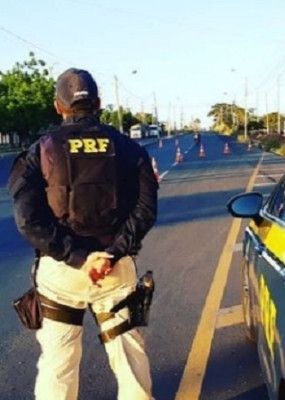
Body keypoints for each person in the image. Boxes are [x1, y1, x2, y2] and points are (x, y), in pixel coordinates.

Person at [7, 68, 158, 400]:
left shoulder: (40, 151)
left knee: (58, 364)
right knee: (129, 356)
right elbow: (145, 211)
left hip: (61, 273)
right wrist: (112, 254)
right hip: (114, 270)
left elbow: (29, 219)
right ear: (98, 103)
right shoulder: (129, 149)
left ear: (58, 106)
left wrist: (76, 257)